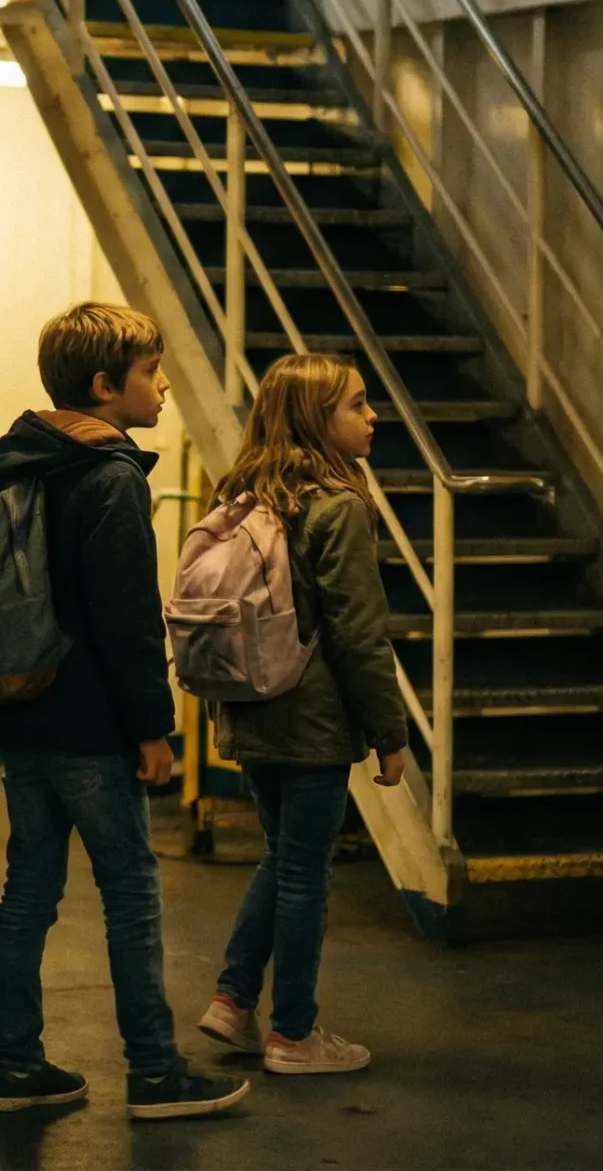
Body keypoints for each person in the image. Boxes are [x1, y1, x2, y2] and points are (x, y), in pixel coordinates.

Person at [0, 302, 251, 1121]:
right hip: (94, 727)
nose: (164, 385)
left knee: (28, 893)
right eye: (150, 373)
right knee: (130, 890)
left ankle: (15, 1065)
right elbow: (130, 621)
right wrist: (152, 731)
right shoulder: (112, 476)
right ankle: (156, 1071)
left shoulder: (21, 462)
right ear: (105, 384)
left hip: (22, 714)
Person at [193, 351, 412, 1076]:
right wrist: (390, 734)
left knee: (282, 857)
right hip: (312, 722)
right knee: (304, 874)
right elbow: (359, 632)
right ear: (318, 420)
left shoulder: (245, 498)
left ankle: (232, 999)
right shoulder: (337, 507)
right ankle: (293, 1032)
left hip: (251, 710)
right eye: (356, 403)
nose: (372, 414)